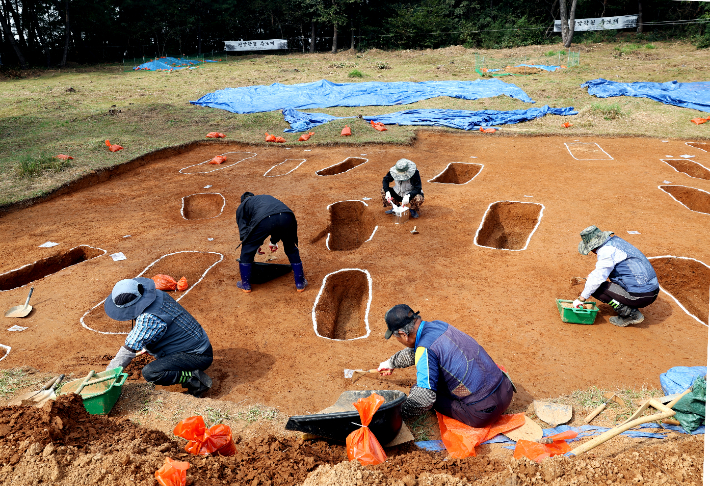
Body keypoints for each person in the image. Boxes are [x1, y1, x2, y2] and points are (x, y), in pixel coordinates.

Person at [377, 304, 515, 428]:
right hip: (506, 391)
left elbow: (424, 399)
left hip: (483, 412)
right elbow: (421, 350)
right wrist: (391, 363)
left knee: (420, 390)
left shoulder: (424, 349)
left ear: (403, 334)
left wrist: (400, 414)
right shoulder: (439, 325)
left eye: (397, 337)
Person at [104, 277, 213, 397]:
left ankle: (196, 380)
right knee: (153, 351)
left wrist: (107, 377)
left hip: (198, 355)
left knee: (151, 372)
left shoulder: (149, 318)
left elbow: (129, 348)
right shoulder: (158, 295)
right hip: (198, 341)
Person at [573, 225, 659, 327]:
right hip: (652, 291)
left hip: (640, 296)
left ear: (593, 247)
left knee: (595, 287)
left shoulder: (606, 252)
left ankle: (629, 314)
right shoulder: (616, 241)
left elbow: (597, 279)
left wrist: (581, 299)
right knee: (594, 281)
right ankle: (629, 305)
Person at [236, 192, 307, 293]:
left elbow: (244, 232)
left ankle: (246, 285)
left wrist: (253, 245)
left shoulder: (243, 206)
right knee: (291, 248)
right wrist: (273, 242)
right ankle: (300, 283)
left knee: (246, 251)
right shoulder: (264, 198)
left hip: (265, 220)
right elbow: (277, 218)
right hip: (287, 216)